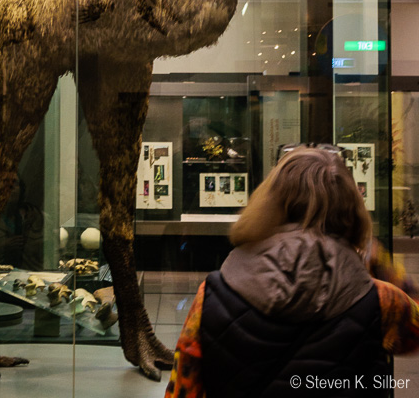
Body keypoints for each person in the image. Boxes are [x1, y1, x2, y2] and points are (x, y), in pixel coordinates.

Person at [164, 147, 419, 397]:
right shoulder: (381, 300)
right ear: (351, 211)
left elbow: (183, 389)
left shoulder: (211, 295)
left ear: (268, 205)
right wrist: (379, 260)